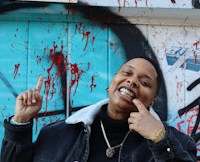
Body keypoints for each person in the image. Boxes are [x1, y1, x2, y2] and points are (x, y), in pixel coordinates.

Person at [0, 57, 197, 161]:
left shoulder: (178, 144)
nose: (132, 80)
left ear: (151, 102)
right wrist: (20, 123)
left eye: (144, 82)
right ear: (111, 85)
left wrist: (159, 140)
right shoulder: (57, 134)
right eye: (127, 73)